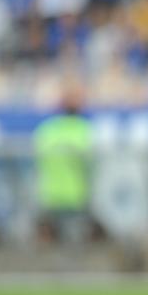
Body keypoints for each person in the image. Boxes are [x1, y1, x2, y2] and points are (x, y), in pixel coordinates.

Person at [34, 86, 93, 244]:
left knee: (53, 245)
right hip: (75, 197)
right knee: (74, 246)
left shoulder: (47, 130)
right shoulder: (84, 130)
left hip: (51, 195)